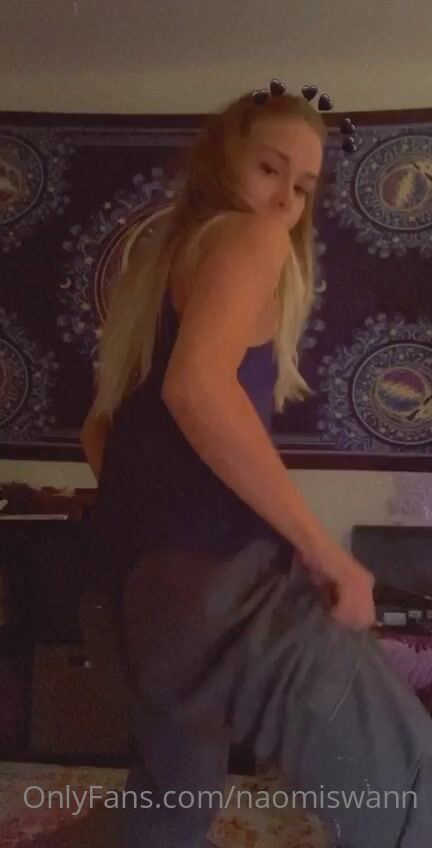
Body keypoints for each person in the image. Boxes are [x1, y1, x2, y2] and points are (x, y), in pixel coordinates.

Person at [80, 83, 432, 848]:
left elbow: (98, 433)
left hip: (134, 596)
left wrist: (160, 544)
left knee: (172, 809)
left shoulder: (161, 262)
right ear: (221, 161)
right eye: (270, 169)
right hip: (220, 583)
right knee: (410, 789)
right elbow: (198, 388)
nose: (284, 203)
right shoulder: (249, 238)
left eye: (302, 187)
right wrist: (325, 551)